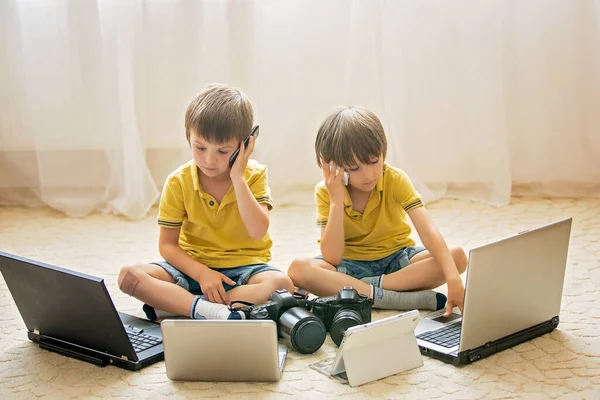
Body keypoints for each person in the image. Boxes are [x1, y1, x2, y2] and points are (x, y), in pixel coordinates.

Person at [118, 84, 294, 321]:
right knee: (129, 276)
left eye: (222, 151)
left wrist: (238, 178)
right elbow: (168, 245)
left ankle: (183, 305)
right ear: (188, 137)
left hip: (244, 272)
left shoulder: (254, 176)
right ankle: (212, 309)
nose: (209, 160)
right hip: (191, 268)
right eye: (200, 147)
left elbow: (258, 230)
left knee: (282, 284)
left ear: (245, 144)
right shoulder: (178, 181)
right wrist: (202, 273)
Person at [287, 106, 467, 316]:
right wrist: (336, 200)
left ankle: (366, 292)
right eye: (354, 168)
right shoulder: (326, 191)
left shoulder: (395, 178)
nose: (369, 175)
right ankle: (394, 298)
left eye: (374, 162)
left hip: (397, 262)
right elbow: (332, 257)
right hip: (348, 266)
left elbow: (428, 230)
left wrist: (453, 278)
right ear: (333, 166)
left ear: (383, 152)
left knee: (457, 258)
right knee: (298, 269)